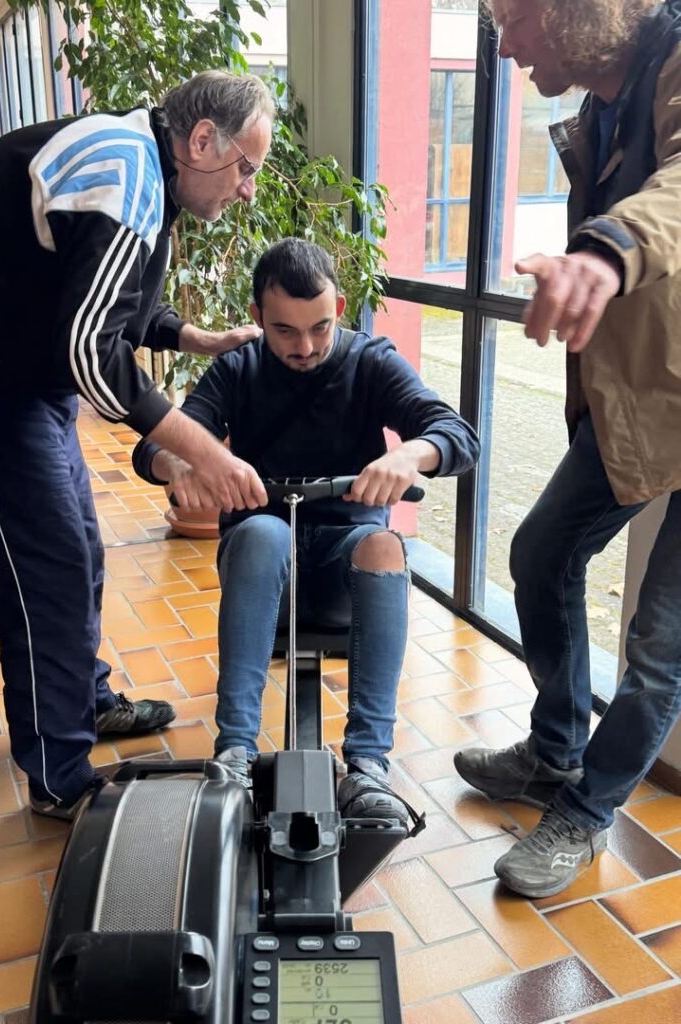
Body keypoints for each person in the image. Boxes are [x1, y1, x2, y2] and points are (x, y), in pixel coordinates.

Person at [0, 71, 275, 819]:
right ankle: (59, 773)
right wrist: (199, 446)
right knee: (42, 567)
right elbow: (89, 348)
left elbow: (106, 289)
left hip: (21, 372)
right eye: (248, 167)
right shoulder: (129, 175)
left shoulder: (143, 162)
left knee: (80, 543)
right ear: (203, 141)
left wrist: (186, 334)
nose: (246, 189)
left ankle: (86, 698)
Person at [454, 0, 681, 898]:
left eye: (514, 19)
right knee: (540, 553)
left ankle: (586, 814)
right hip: (646, 396)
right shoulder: (599, 108)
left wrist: (608, 249)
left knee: (660, 644)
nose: (502, 44)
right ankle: (554, 750)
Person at [134, 238, 480, 825]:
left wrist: (411, 456)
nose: (306, 346)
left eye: (319, 327)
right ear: (257, 319)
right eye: (286, 331)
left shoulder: (370, 361)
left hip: (343, 569)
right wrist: (180, 466)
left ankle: (368, 765)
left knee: (383, 544)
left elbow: (457, 434)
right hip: (262, 568)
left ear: (339, 309)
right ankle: (235, 755)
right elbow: (155, 445)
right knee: (265, 533)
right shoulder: (237, 367)